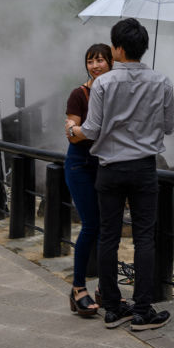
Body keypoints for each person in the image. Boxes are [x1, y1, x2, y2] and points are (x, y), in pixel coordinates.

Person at [66, 18, 174, 331]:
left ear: (116, 49)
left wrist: (73, 129)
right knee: (144, 238)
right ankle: (143, 310)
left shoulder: (103, 83)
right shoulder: (162, 82)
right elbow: (169, 126)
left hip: (109, 169)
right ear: (143, 48)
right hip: (143, 168)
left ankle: (113, 309)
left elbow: (91, 129)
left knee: (109, 236)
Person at [63, 43, 113, 318]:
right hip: (80, 165)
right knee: (91, 226)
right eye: (91, 61)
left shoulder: (115, 94)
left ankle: (106, 288)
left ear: (111, 63)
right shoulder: (79, 94)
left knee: (108, 228)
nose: (95, 66)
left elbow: (79, 130)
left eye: (101, 60)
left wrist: (82, 130)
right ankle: (78, 288)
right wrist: (86, 130)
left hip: (105, 165)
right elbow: (71, 134)